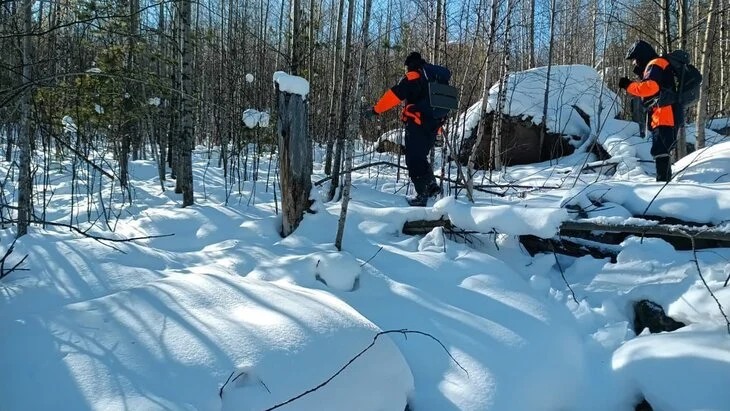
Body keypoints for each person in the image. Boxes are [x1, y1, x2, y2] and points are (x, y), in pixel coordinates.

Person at [363, 52, 441, 206]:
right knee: (420, 157)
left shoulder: (412, 77)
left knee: (413, 159)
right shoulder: (432, 78)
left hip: (417, 125)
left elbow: (393, 96)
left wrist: (375, 110)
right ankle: (431, 186)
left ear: (409, 65)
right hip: (433, 127)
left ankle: (422, 196)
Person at [618, 40, 679, 182]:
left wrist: (629, 86)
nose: (634, 63)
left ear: (641, 55)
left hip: (664, 114)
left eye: (635, 59)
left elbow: (651, 87)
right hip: (664, 113)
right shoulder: (656, 64)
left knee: (661, 150)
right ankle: (664, 181)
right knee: (661, 149)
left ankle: (663, 183)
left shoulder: (655, 64)